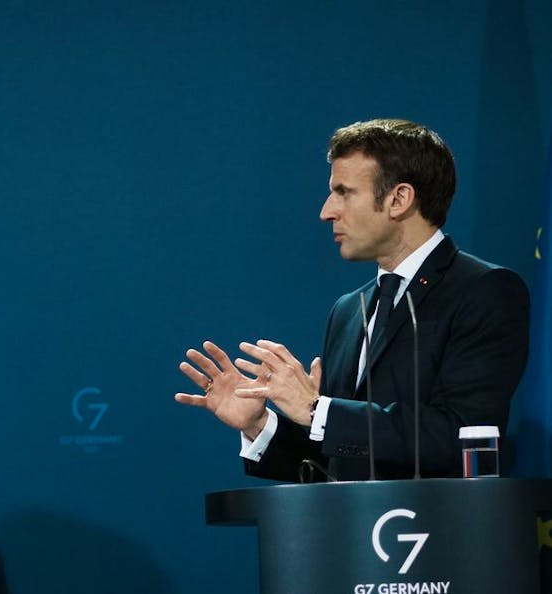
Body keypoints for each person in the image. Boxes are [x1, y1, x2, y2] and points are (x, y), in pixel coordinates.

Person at [175, 119, 530, 481]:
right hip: (354, 519)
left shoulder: (484, 290)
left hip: (437, 518)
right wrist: (260, 425)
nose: (326, 211)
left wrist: (316, 410)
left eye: (343, 192)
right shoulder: (348, 310)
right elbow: (339, 461)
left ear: (398, 199)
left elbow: (462, 435)